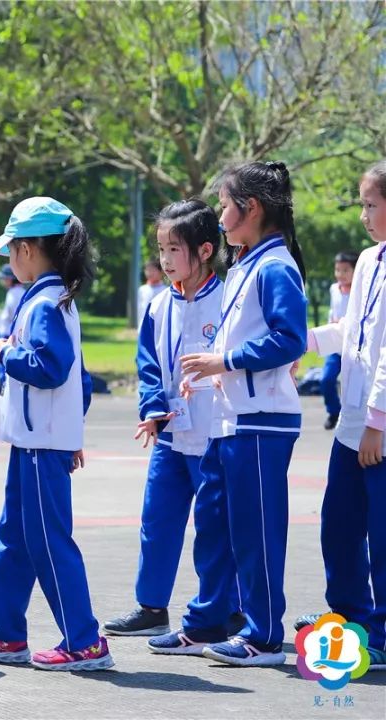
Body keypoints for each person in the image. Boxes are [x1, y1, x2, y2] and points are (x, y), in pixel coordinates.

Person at [0, 196, 113, 671]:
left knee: (47, 540)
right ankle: (6, 633)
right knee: (15, 537)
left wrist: (4, 353)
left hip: (42, 443)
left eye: (10, 251)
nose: (9, 261)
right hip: (34, 442)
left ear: (27, 249)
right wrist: (74, 430)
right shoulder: (47, 297)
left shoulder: (45, 302)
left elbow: (51, 367)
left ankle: (84, 640)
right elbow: (79, 378)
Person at [179, 161, 308, 666]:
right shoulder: (248, 263)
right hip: (232, 418)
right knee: (219, 523)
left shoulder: (275, 266)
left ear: (251, 209)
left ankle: (263, 636)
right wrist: (216, 371)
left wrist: (223, 361)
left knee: (256, 531)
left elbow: (289, 340)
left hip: (261, 421)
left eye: (225, 204)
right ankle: (214, 620)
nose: (220, 214)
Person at [103, 200, 240, 648]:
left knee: (215, 525)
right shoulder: (158, 305)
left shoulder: (228, 300)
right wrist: (151, 408)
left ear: (203, 250)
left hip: (215, 434)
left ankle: (227, 609)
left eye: (173, 249)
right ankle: (151, 608)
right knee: (157, 520)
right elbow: (147, 365)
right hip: (170, 435)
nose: (164, 259)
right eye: (160, 248)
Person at [295, 161, 386, 671]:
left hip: (378, 425)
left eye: (371, 204)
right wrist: (300, 344)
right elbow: (352, 328)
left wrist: (378, 419)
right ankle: (350, 616)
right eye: (362, 204)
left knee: (383, 534)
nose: (364, 215)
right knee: (339, 524)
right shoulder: (371, 261)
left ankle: (382, 630)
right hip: (354, 422)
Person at [321, 252, 357, 430]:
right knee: (326, 379)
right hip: (335, 346)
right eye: (337, 270)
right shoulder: (334, 288)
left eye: (345, 270)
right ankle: (334, 412)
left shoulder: (360, 290)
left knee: (353, 385)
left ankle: (351, 418)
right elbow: (332, 311)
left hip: (353, 347)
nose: (340, 274)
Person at [0, 265, 26, 339]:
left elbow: (10, 312)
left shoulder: (13, 293)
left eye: (4, 278)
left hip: (8, 332)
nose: (3, 281)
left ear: (10, 279)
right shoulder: (22, 291)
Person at [137, 260, 167, 327]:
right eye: (147, 270)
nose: (149, 273)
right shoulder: (142, 289)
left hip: (160, 326)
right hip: (144, 326)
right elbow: (139, 310)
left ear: (161, 272)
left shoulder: (166, 290)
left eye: (153, 270)